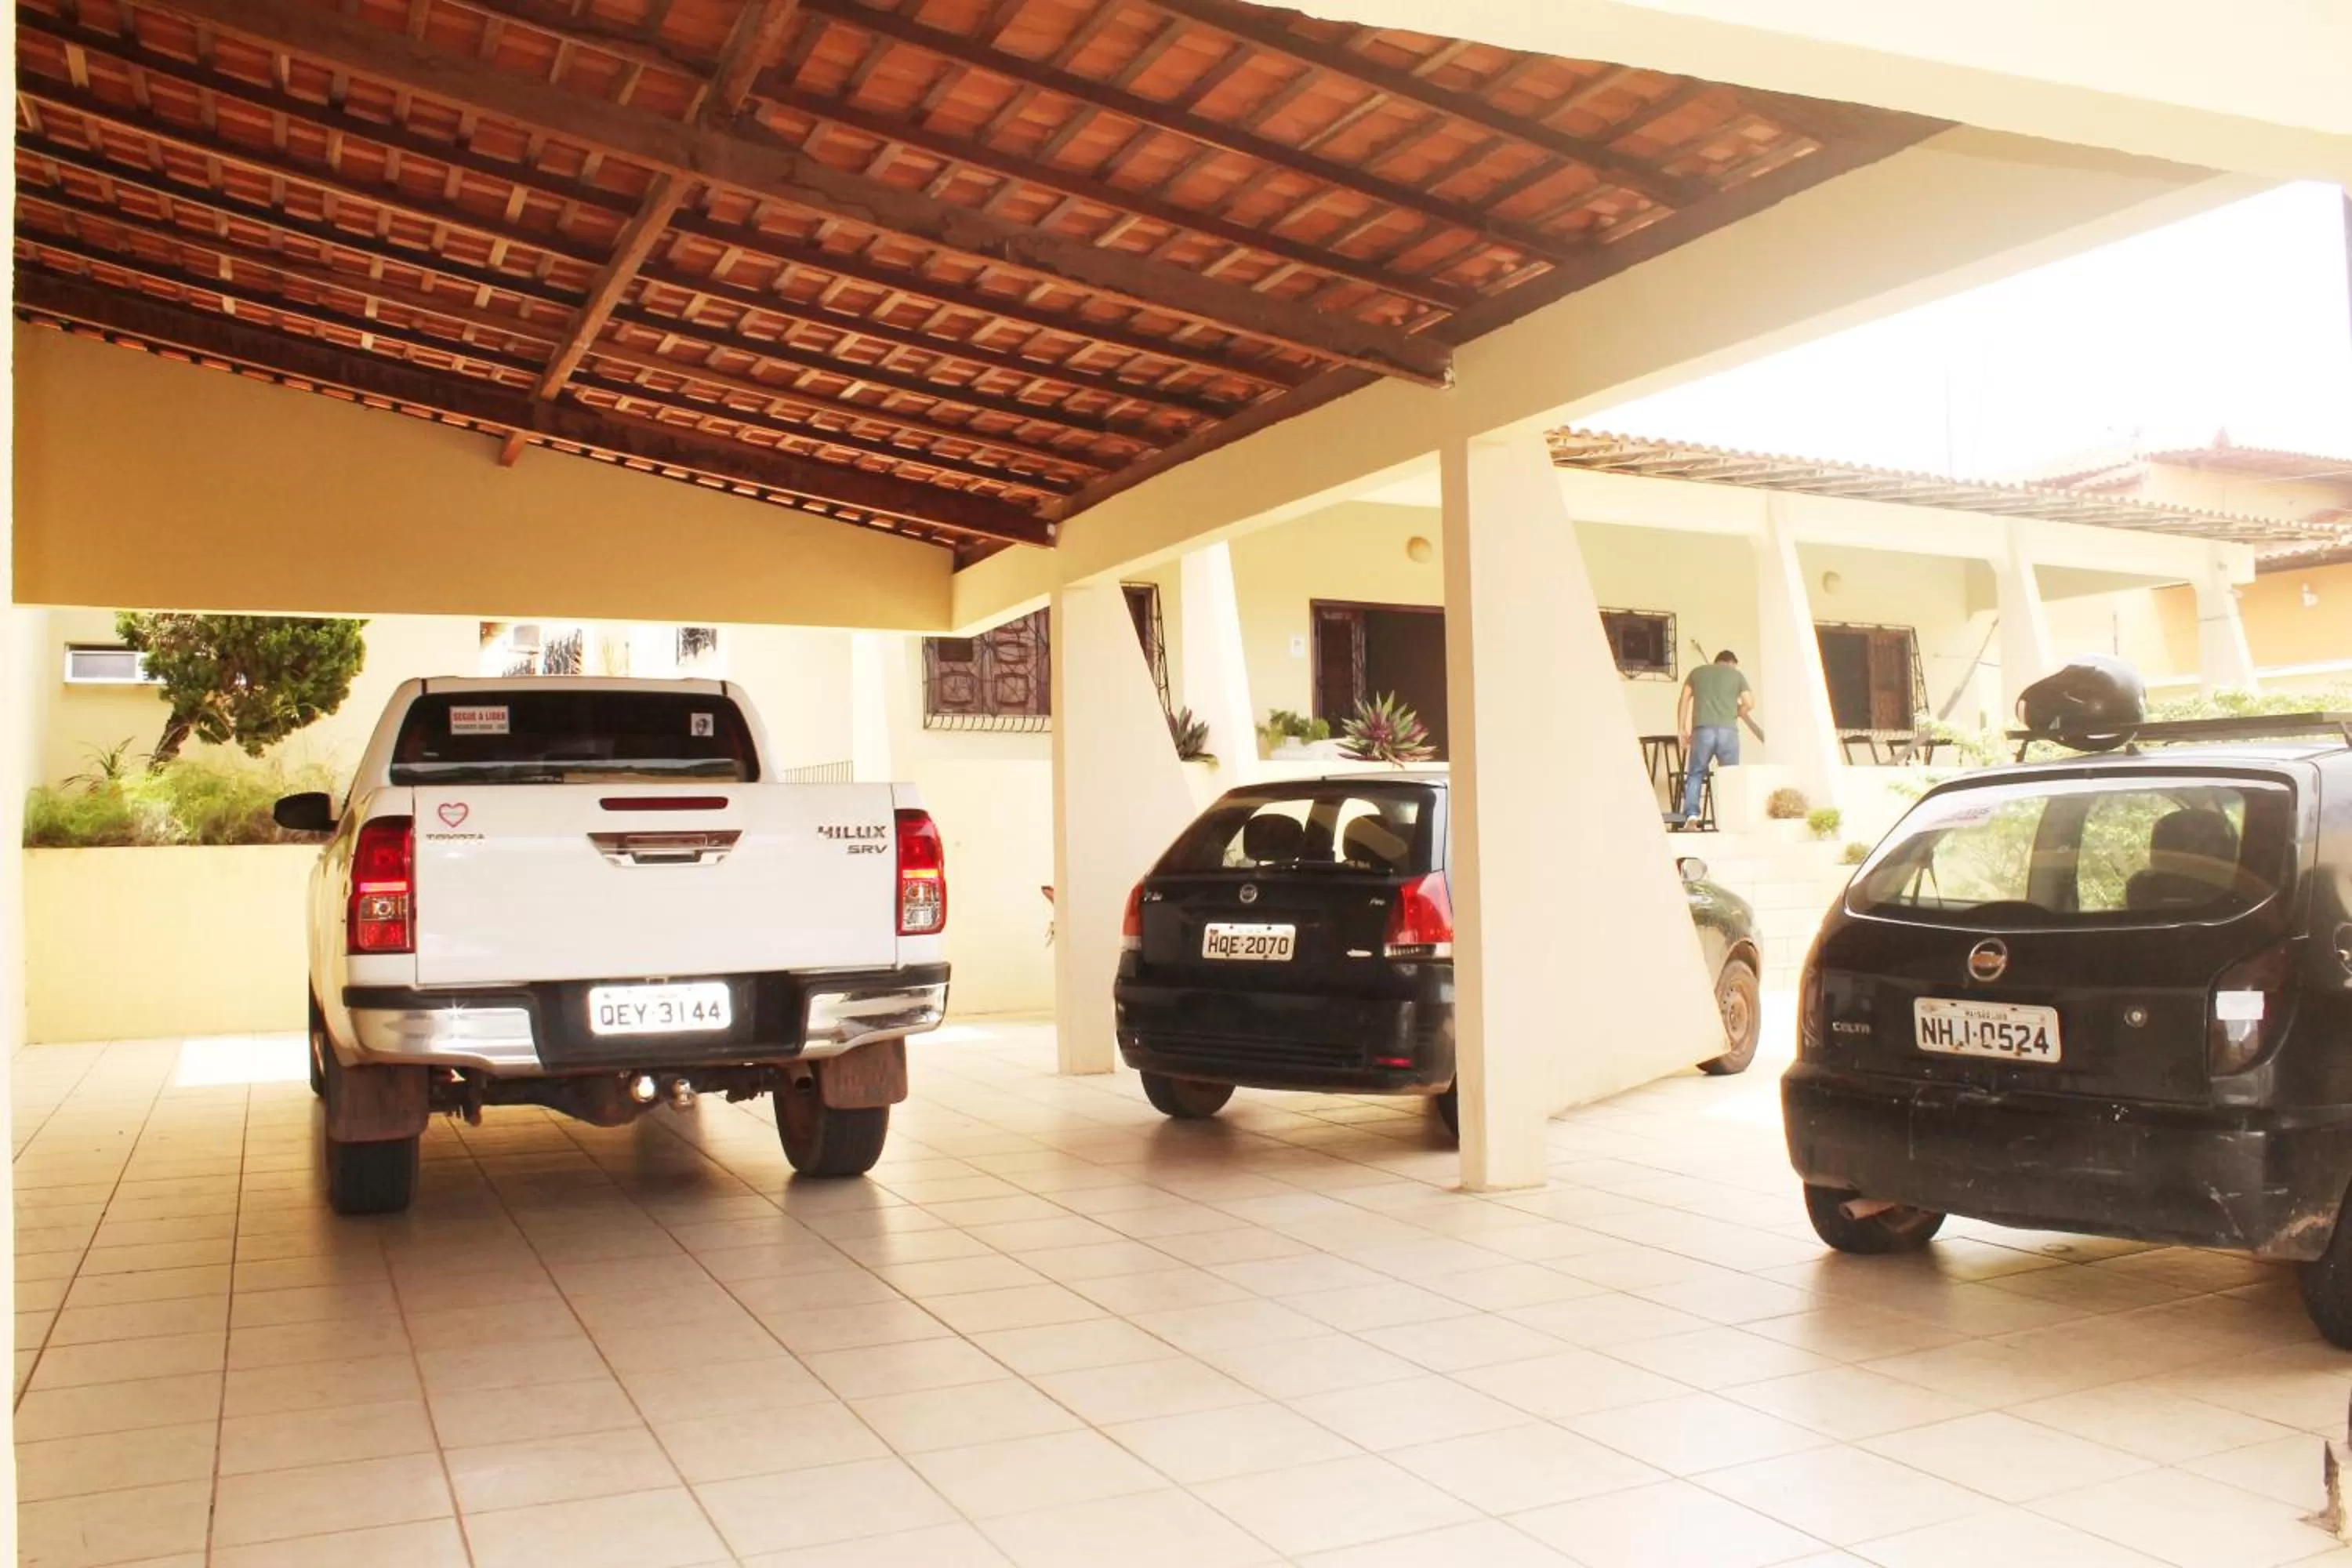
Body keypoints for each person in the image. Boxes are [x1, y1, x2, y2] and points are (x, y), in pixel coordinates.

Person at [1677, 650, 1754, 826]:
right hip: (1728, 732)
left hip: (1702, 731)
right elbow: (1750, 703)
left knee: (1696, 773)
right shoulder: (1736, 675)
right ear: (1730, 663)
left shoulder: (1697, 673)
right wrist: (1737, 712)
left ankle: (1692, 816)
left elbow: (1684, 698)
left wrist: (1682, 728)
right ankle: (1732, 819)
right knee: (1730, 775)